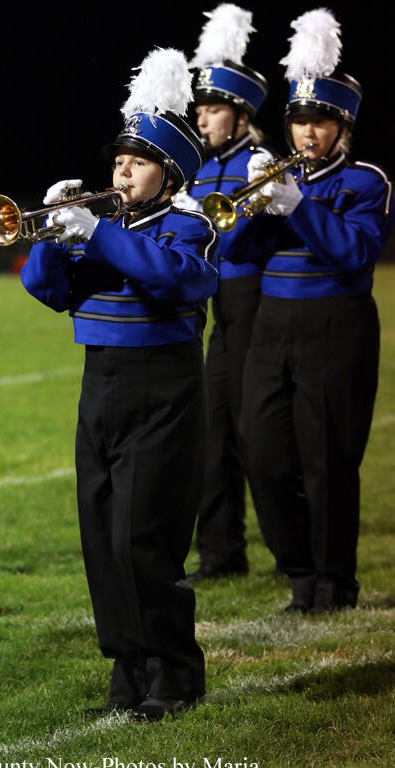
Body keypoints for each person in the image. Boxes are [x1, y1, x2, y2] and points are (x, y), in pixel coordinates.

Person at [21, 49, 219, 720]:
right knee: (103, 535)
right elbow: (46, 290)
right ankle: (127, 672)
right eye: (118, 162)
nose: (122, 172)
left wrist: (98, 234)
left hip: (163, 388)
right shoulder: (103, 228)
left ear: (170, 172)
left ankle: (175, 673)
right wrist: (51, 235)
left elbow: (178, 279)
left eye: (137, 162)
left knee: (145, 536)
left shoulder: (189, 224)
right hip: (99, 382)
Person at [240, 9, 394, 613]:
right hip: (271, 324)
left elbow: (354, 255)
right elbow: (234, 252)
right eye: (300, 121)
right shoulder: (274, 180)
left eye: (320, 122)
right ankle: (298, 569)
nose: (307, 132)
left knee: (326, 457)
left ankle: (332, 583)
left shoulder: (366, 182)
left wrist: (298, 205)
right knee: (261, 452)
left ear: (341, 127)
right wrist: (253, 206)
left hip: (336, 325)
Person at [174, 4, 272, 581]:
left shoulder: (258, 164)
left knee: (258, 433)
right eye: (201, 108)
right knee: (213, 431)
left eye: (213, 109)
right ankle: (220, 552)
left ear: (240, 115)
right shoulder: (200, 169)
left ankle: (293, 549)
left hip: (255, 301)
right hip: (218, 310)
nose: (203, 118)